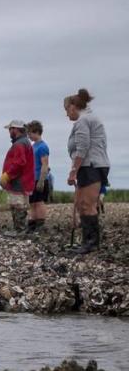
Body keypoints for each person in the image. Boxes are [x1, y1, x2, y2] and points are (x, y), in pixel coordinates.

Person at [65, 88, 110, 253]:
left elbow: (83, 147)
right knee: (84, 205)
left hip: (91, 165)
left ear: (72, 107)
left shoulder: (83, 120)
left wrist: (73, 171)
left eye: (67, 110)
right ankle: (87, 241)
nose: (67, 114)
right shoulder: (87, 119)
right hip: (89, 165)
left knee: (87, 204)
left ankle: (91, 243)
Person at [0, 120, 35, 234]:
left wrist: (6, 176)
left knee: (17, 205)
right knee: (20, 205)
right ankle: (21, 230)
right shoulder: (25, 142)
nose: (9, 132)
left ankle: (19, 230)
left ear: (16, 129)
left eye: (10, 129)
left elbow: (19, 163)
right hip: (24, 180)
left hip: (18, 181)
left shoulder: (19, 144)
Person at [26, 120, 51, 233]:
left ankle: (40, 225)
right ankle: (33, 224)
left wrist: (41, 180)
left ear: (36, 132)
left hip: (40, 178)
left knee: (39, 202)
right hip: (32, 179)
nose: (29, 136)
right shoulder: (33, 146)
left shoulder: (42, 146)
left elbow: (45, 165)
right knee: (32, 202)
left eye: (30, 133)